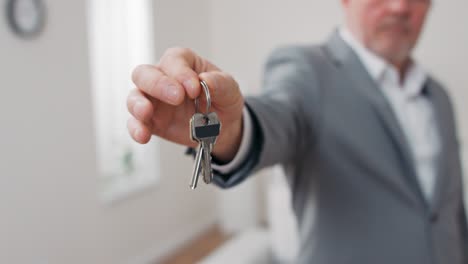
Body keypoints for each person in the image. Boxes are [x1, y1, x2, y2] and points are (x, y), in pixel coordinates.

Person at [126, 0, 467, 263]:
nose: (400, 7)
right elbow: (276, 118)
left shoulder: (440, 97)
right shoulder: (306, 70)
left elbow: (447, 212)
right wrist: (231, 130)